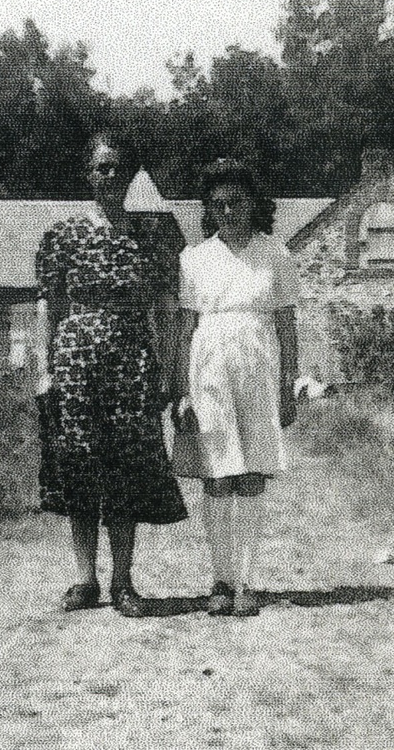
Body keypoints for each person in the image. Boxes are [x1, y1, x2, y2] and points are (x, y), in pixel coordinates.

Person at [35, 133, 187, 616]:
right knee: (79, 467)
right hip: (74, 364)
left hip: (131, 365)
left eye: (118, 168)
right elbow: (49, 305)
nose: (109, 177)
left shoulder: (153, 234)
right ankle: (85, 581)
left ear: (129, 175)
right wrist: (44, 370)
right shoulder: (63, 234)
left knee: (125, 471)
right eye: (100, 168)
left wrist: (169, 371)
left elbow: (166, 308)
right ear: (88, 173)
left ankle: (123, 582)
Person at [173, 159, 300, 617]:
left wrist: (288, 388)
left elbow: (287, 327)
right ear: (209, 209)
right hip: (209, 371)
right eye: (218, 205)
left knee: (251, 474)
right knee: (217, 474)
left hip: (258, 370)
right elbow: (186, 330)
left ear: (253, 204)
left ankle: (246, 580)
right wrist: (181, 391)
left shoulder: (277, 255)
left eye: (236, 203)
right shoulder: (193, 258)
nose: (227, 212)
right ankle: (220, 579)